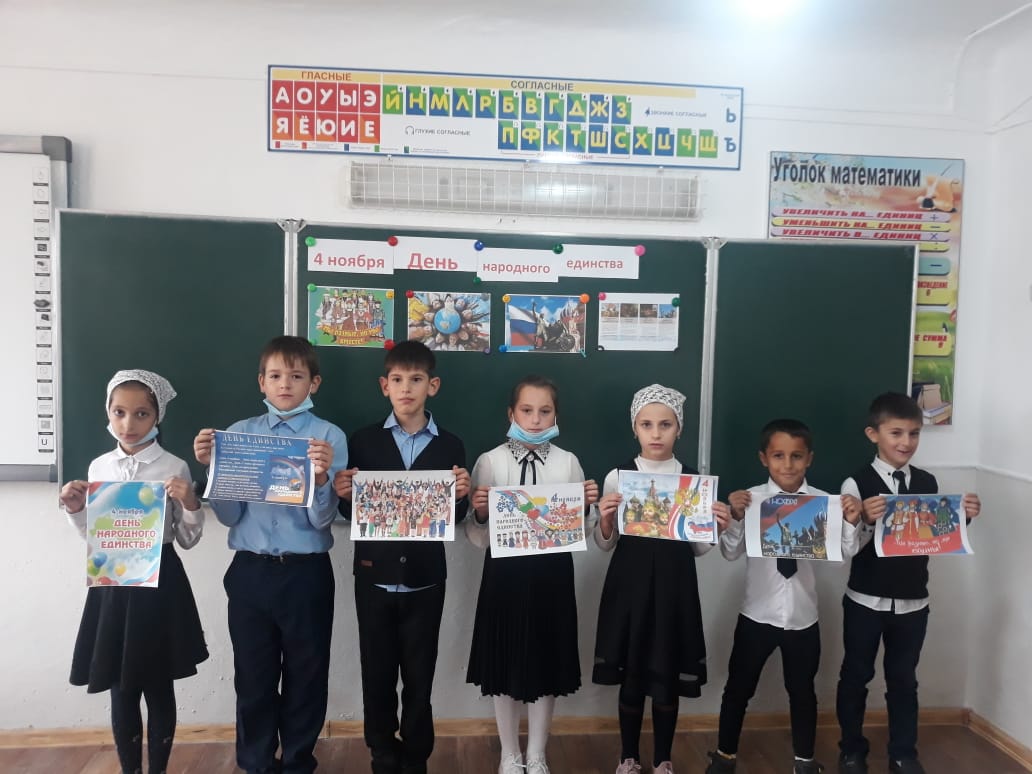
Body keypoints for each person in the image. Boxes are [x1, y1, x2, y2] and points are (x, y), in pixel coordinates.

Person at [193, 335, 347, 774]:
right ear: (261, 382)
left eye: (296, 376)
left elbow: (322, 520)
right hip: (250, 572)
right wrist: (213, 470)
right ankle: (256, 763)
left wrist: (321, 479)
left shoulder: (328, 437)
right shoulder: (239, 435)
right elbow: (229, 516)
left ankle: (298, 762)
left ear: (313, 383)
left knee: (307, 675)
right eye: (276, 376)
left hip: (306, 573)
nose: (285, 385)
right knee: (254, 676)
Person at [61, 370, 208, 774]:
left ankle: (158, 769)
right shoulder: (99, 466)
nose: (128, 423)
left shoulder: (173, 466)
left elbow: (187, 539)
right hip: (113, 586)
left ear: (157, 417)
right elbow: (94, 535)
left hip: (159, 584)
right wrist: (76, 510)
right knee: (120, 687)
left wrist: (191, 504)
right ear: (107, 412)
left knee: (159, 684)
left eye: (141, 414)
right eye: (119, 412)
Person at [333, 340, 470, 774]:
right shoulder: (363, 441)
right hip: (373, 577)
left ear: (433, 385)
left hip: (426, 579)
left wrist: (460, 497)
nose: (406, 388)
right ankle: (381, 751)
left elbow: (455, 517)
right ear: (384, 385)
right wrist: (344, 496)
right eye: (397, 379)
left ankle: (415, 755)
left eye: (416, 379)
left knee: (419, 676)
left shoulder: (450, 446)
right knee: (376, 674)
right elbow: (351, 513)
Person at [704, 419, 862, 774]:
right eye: (778, 456)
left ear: (809, 459)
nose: (787, 465)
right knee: (738, 689)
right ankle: (725, 755)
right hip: (756, 615)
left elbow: (840, 558)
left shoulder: (823, 503)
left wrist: (851, 522)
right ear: (764, 458)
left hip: (803, 618)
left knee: (803, 692)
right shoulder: (751, 499)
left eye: (796, 456)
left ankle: (804, 760)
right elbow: (730, 552)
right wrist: (736, 516)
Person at [836, 392, 981, 774]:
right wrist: (863, 519)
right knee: (856, 676)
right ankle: (851, 749)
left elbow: (933, 534)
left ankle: (903, 752)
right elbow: (847, 548)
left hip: (913, 602)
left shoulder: (927, 481)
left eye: (914, 433)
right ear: (874, 434)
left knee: (903, 680)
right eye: (896, 433)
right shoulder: (856, 482)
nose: (906, 442)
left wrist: (963, 518)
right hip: (865, 600)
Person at [466, 374, 600, 774]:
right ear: (511, 414)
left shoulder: (567, 461)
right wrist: (481, 513)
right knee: (504, 664)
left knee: (546, 662)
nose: (536, 420)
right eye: (527, 410)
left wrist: (586, 507)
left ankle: (537, 752)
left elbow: (582, 530)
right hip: (504, 576)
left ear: (556, 416)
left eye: (545, 411)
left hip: (551, 576)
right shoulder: (490, 461)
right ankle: (510, 752)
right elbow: (477, 537)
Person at [594, 384, 730, 774]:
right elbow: (605, 544)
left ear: (679, 429)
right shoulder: (618, 476)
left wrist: (716, 529)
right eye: (647, 424)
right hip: (630, 588)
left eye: (665, 425)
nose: (656, 433)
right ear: (634, 428)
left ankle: (663, 758)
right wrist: (605, 519)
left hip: (674, 590)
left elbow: (698, 549)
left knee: (667, 674)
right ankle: (629, 756)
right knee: (632, 675)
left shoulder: (692, 480)